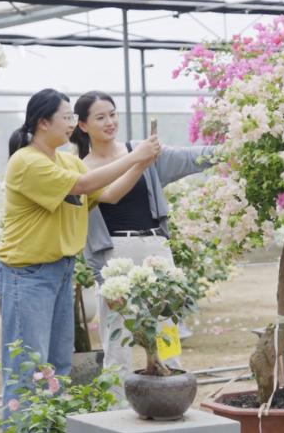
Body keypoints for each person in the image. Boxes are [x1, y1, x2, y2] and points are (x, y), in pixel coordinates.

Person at [0, 88, 160, 417]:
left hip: (59, 272)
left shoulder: (68, 160)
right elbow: (81, 187)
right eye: (67, 117)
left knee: (57, 367)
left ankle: (51, 425)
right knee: (26, 369)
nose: (71, 123)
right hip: (26, 276)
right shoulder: (26, 162)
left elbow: (109, 194)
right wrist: (134, 156)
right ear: (43, 123)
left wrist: (142, 164)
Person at [70, 90, 216, 403]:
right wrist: (139, 160)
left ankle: (171, 395)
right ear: (82, 125)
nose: (110, 122)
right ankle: (116, 408)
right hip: (114, 254)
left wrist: (236, 148)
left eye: (112, 114)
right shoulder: (81, 168)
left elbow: (193, 157)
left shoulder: (142, 150)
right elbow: (109, 194)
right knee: (116, 333)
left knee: (167, 324)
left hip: (154, 244)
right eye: (100, 117)